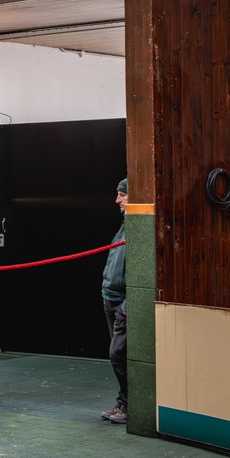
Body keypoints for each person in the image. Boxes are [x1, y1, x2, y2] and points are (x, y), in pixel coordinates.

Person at [101, 178, 129, 425]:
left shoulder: (137, 228)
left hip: (122, 304)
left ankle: (129, 404)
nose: (117, 200)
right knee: (118, 354)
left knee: (117, 354)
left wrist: (127, 307)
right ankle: (123, 402)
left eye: (122, 195)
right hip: (110, 299)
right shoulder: (124, 226)